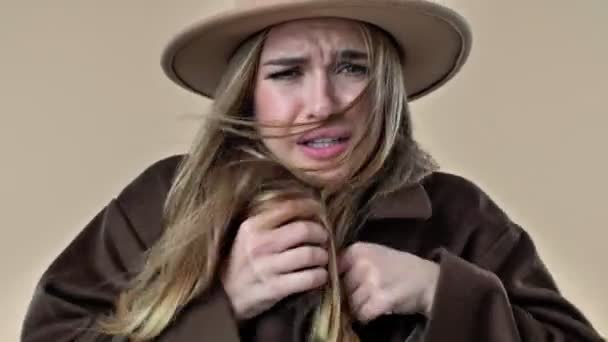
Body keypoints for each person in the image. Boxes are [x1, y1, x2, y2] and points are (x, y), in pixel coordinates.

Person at [21, 0, 604, 341]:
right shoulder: (168, 200)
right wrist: (224, 307)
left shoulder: (458, 214)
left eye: (351, 67)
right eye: (287, 73)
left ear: (386, 90)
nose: (322, 103)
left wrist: (441, 294)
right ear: (246, 93)